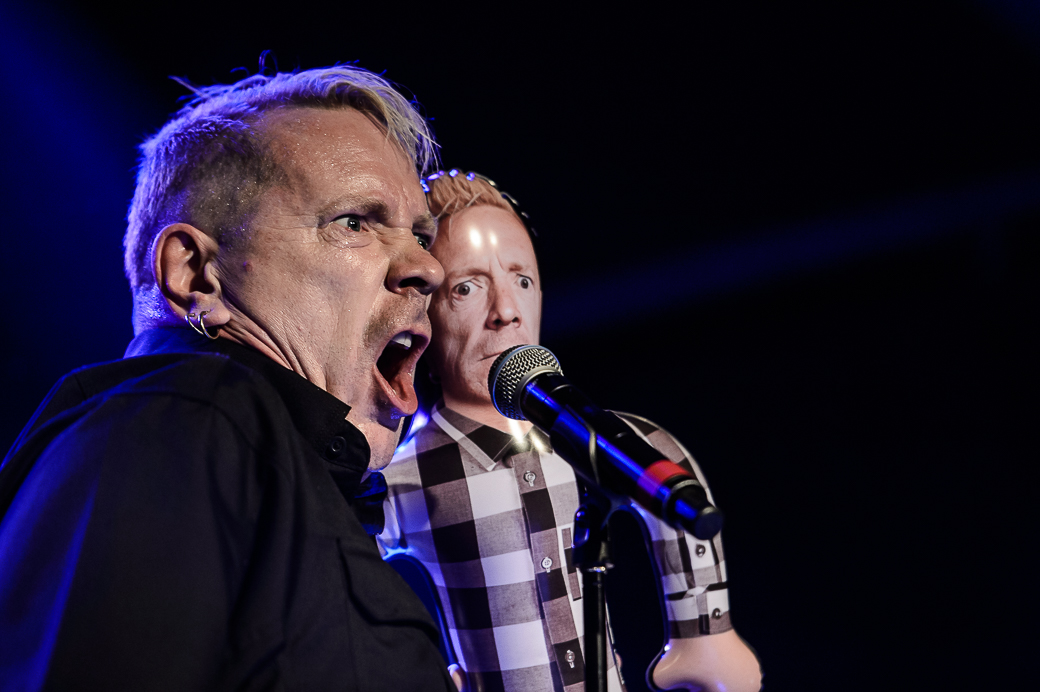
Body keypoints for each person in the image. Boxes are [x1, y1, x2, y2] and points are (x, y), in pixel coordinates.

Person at [0, 67, 457, 691]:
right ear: (195, 275)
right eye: (354, 222)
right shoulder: (184, 419)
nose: (428, 268)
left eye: (422, 235)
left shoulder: (263, 471)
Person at [377, 170, 763, 692]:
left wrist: (705, 636)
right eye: (467, 288)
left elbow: (666, 474)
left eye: (522, 281)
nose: (506, 312)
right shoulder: (401, 479)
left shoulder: (591, 441)